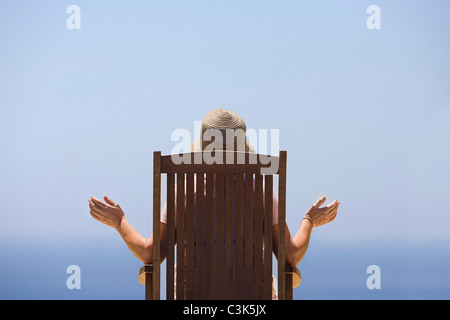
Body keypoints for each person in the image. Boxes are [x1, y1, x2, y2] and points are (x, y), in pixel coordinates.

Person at [88, 108, 339, 296]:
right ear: (241, 150)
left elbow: (148, 252)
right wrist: (309, 222)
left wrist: (120, 222)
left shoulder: (182, 194)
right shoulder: (261, 193)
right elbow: (291, 256)